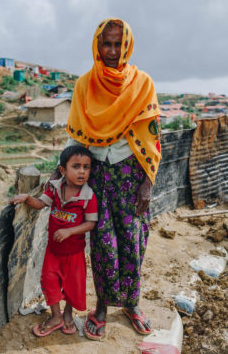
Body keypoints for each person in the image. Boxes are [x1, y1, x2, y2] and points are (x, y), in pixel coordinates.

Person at [65, 18, 161, 340]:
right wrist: (59, 174)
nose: (111, 50)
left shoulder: (143, 84)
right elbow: (76, 137)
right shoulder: (84, 86)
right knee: (103, 244)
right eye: (106, 43)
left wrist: (148, 182)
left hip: (131, 175)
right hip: (99, 176)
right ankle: (103, 306)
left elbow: (151, 138)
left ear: (128, 45)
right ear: (97, 44)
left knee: (133, 242)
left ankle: (132, 304)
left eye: (118, 43)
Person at [10, 146, 98, 337]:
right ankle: (56, 316)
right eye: (76, 166)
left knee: (73, 287)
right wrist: (27, 198)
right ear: (63, 170)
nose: (82, 171)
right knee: (49, 282)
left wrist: (70, 231)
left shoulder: (88, 196)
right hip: (53, 251)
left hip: (74, 254)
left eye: (86, 167)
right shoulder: (55, 188)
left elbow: (91, 223)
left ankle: (68, 314)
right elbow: (41, 204)